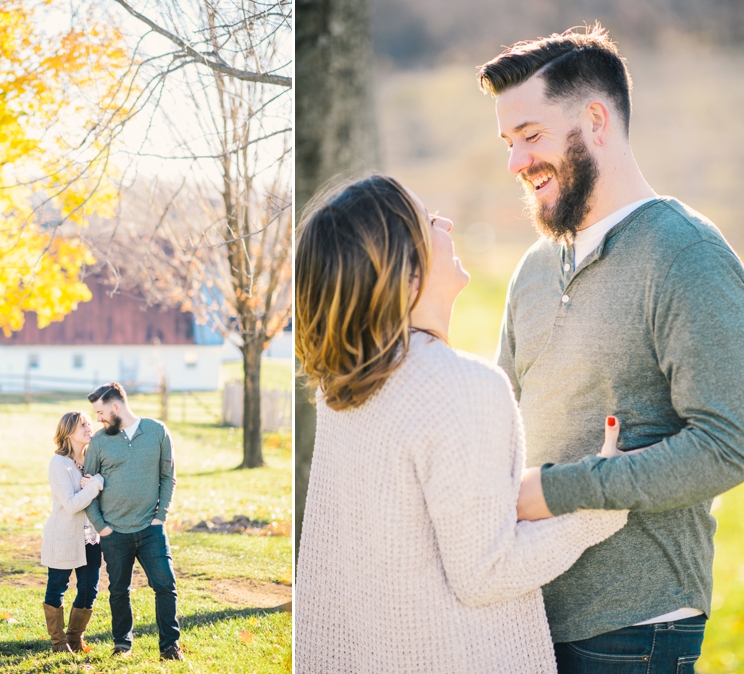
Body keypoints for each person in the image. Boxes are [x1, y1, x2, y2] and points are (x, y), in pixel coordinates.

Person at [478, 24, 744, 671]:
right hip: (523, 616)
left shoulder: (686, 254)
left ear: (596, 120)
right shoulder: (534, 269)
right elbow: (499, 418)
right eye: (509, 143)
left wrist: (561, 490)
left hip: (635, 629)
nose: (516, 163)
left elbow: (729, 442)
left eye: (531, 136)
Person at [294, 174, 628, 673]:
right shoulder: (459, 386)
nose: (445, 222)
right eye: (429, 221)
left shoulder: (341, 391)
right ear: (405, 273)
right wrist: (600, 504)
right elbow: (487, 572)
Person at [83, 382, 183, 661]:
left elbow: (168, 476)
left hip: (151, 529)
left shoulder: (157, 431)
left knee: (165, 584)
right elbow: (88, 487)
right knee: (118, 590)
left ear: (116, 406)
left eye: (101, 412)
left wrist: (161, 516)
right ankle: (122, 645)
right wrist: (101, 526)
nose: (98, 419)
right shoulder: (100, 442)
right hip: (114, 532)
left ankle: (169, 646)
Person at [40, 411, 105, 653]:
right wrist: (96, 485)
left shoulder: (92, 461)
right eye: (83, 426)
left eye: (89, 424)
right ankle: (58, 642)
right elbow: (72, 504)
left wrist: (97, 483)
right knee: (57, 587)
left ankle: (75, 638)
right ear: (68, 433)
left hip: (91, 538)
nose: (90, 429)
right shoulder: (59, 464)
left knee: (90, 590)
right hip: (64, 536)